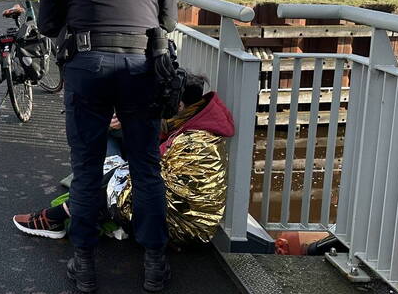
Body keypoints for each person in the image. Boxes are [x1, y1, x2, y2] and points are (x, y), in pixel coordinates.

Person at [35, 0, 176, 293]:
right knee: (146, 166)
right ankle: (154, 265)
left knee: (86, 168)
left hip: (87, 66)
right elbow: (168, 20)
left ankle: (84, 266)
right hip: (140, 66)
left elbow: (47, 24)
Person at [13, 74, 236, 247]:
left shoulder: (195, 141)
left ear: (178, 106)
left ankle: (56, 217)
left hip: (181, 227)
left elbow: (152, 175)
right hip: (176, 212)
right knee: (113, 142)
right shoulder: (197, 122)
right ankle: (73, 208)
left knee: (114, 177)